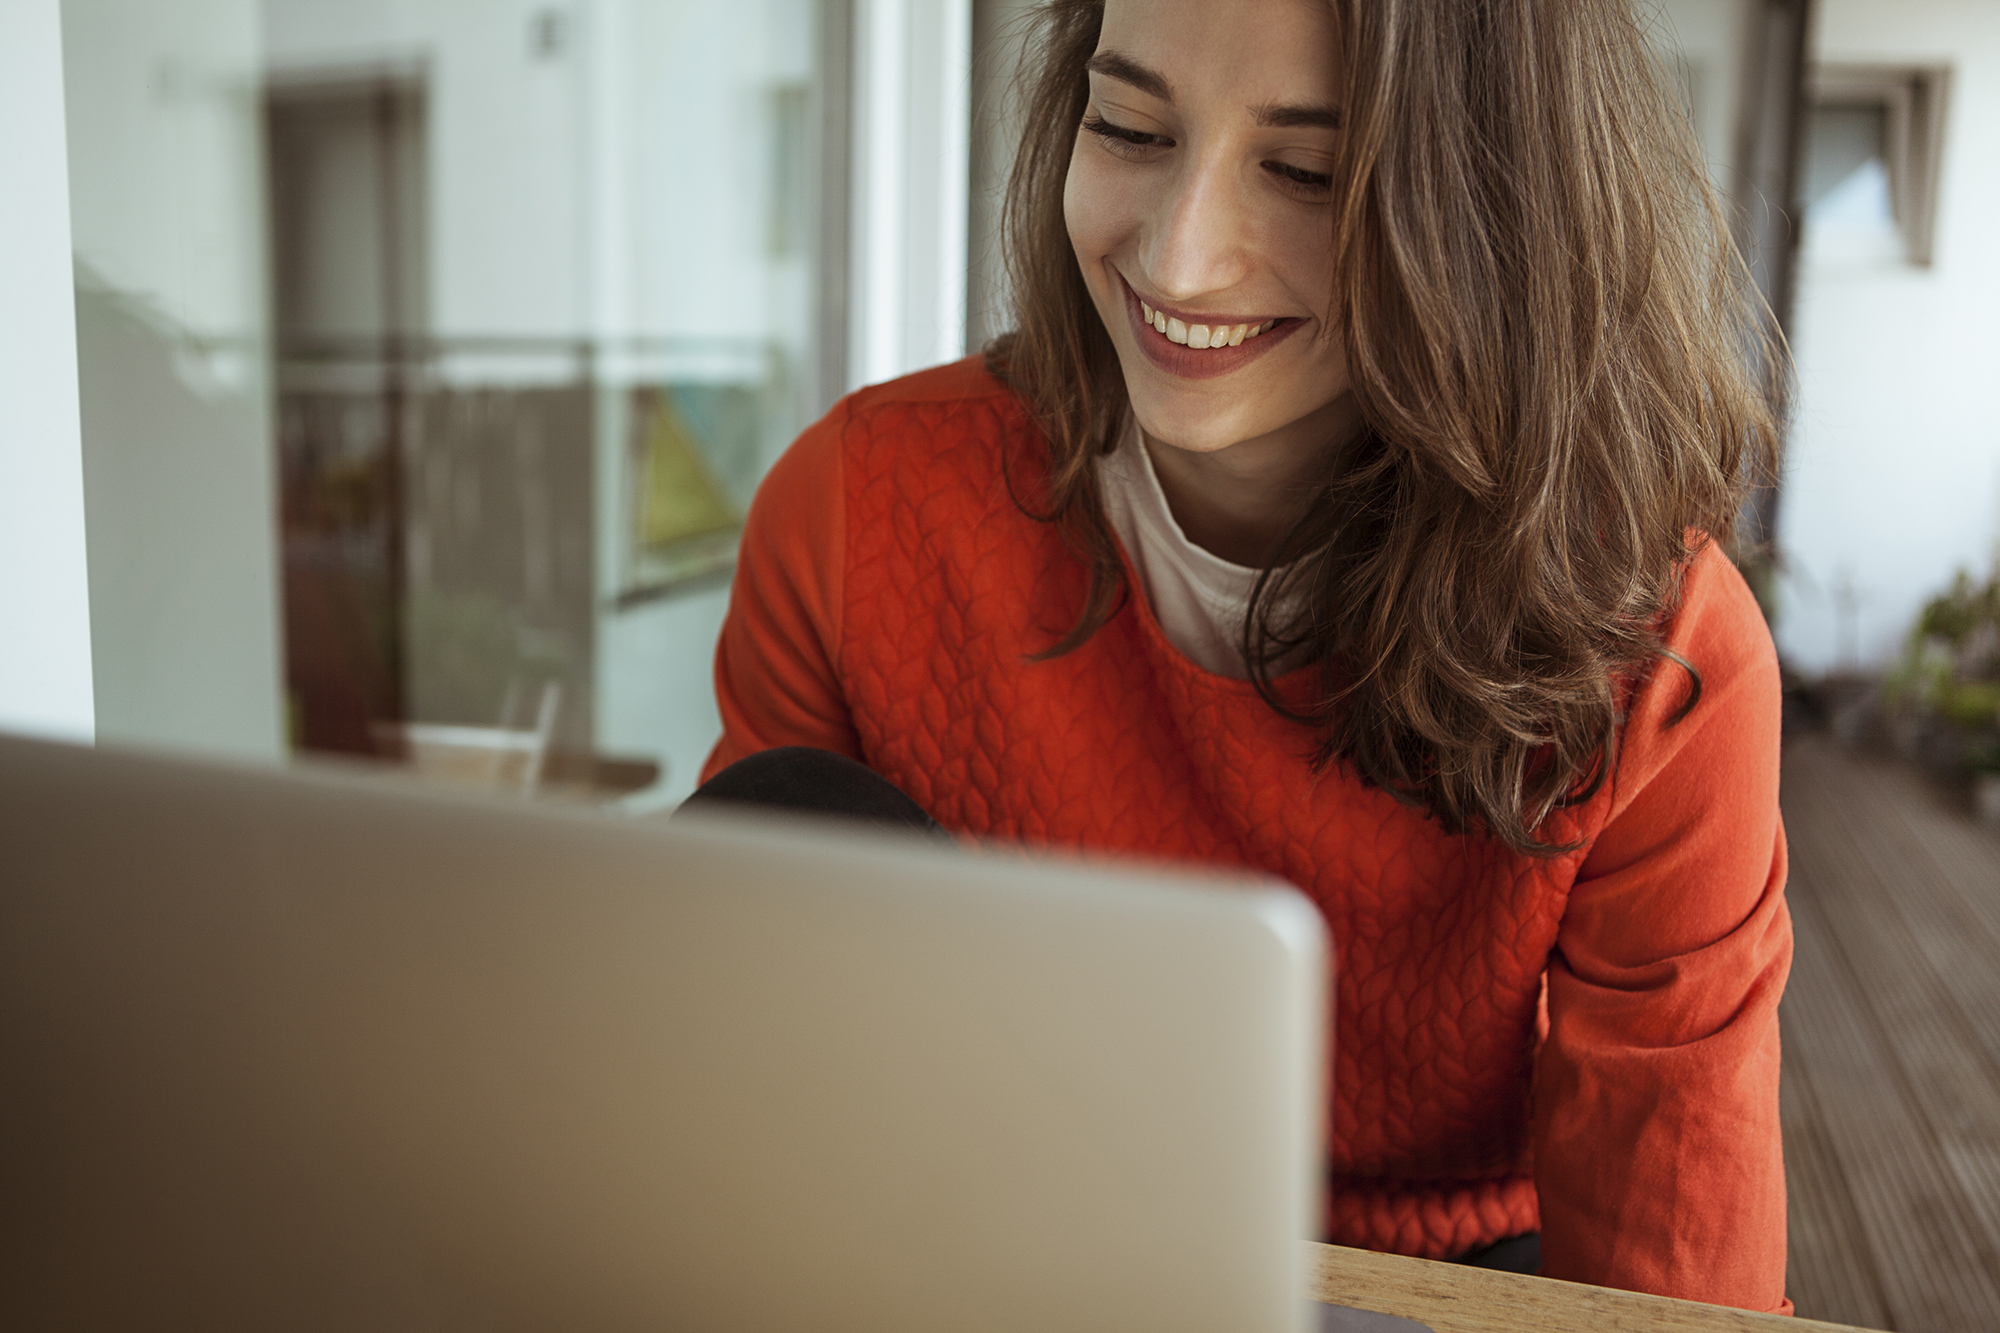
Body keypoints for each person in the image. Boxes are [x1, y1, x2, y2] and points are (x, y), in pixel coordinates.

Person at [689, 0, 1792, 1313]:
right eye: (1131, 127)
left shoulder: (1657, 653)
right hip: (991, 1256)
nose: (1180, 257)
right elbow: (740, 1092)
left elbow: (1673, 1278)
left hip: (1432, 1282)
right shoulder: (853, 512)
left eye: (1306, 169)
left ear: (1490, 215)